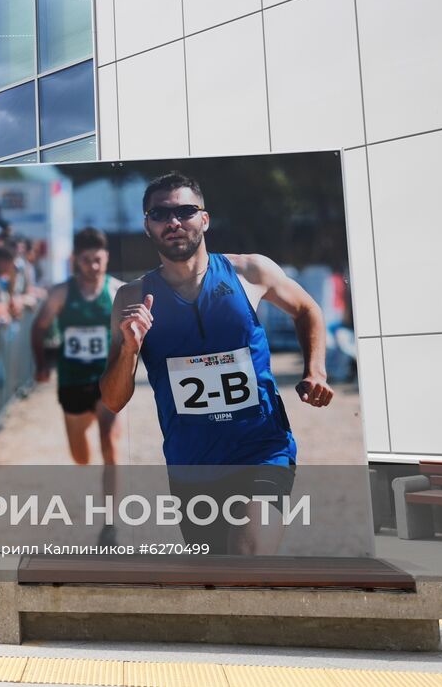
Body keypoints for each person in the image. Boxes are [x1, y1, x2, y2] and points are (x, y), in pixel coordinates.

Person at [100, 171, 334, 555]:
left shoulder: (250, 272)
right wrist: (129, 348)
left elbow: (307, 308)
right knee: (217, 579)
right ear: (147, 226)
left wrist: (316, 370)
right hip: (192, 464)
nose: (173, 222)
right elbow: (112, 399)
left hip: (261, 450)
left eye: (185, 211)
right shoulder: (132, 297)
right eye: (160, 214)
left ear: (204, 219)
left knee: (248, 557)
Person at [32, 228, 125, 466]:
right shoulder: (61, 293)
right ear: (75, 260)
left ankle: (111, 504)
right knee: (80, 457)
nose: (93, 267)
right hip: (73, 380)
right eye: (86, 260)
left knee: (110, 443)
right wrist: (41, 365)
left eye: (98, 260)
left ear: (106, 258)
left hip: (107, 378)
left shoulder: (117, 291)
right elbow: (39, 327)